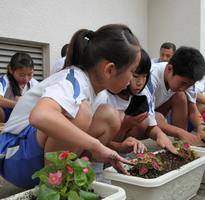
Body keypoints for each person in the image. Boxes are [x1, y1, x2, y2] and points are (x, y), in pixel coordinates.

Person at [0, 24, 141, 188]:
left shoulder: (100, 93)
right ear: (109, 70)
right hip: (13, 156)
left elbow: (81, 137)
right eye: (132, 71)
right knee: (81, 112)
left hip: (32, 154)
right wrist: (95, 145)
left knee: (109, 116)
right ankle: (53, 187)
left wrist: (118, 147)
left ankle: (72, 179)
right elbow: (40, 116)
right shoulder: (73, 80)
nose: (132, 80)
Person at [93, 49, 177, 154]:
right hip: (96, 149)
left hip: (119, 142)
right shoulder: (104, 97)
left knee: (145, 119)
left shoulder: (141, 95)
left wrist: (160, 135)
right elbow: (92, 136)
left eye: (145, 76)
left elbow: (151, 124)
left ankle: (124, 153)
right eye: (135, 76)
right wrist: (125, 127)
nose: (140, 82)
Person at [147, 46, 205, 146]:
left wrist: (201, 128)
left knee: (180, 95)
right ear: (170, 69)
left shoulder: (186, 81)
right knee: (158, 115)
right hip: (138, 117)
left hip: (156, 112)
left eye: (189, 85)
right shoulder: (151, 77)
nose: (184, 88)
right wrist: (181, 133)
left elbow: (193, 110)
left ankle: (181, 144)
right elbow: (148, 118)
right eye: (183, 83)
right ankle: (182, 136)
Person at [0, 52, 39, 123]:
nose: (26, 79)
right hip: (5, 116)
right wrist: (20, 104)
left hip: (24, 117)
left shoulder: (34, 83)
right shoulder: (4, 80)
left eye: (30, 74)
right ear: (11, 70)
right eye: (21, 75)